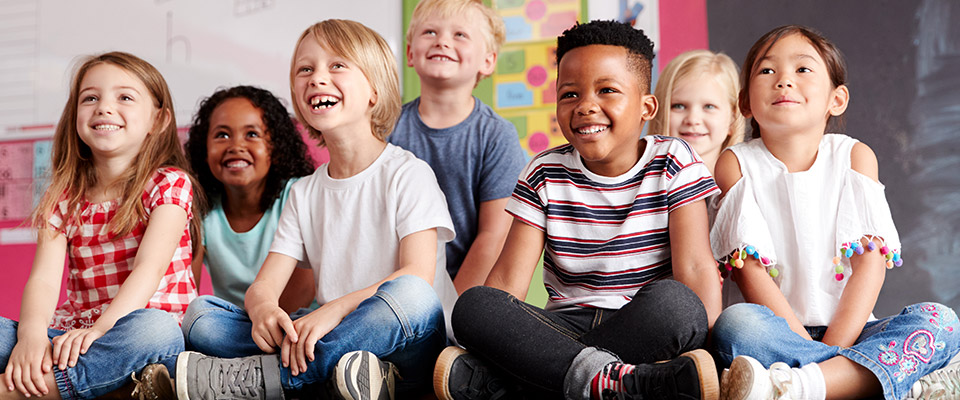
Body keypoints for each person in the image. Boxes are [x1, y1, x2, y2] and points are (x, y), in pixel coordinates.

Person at [435, 20, 722, 400]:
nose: (586, 106)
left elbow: (697, 268)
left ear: (646, 107)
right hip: (559, 324)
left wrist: (714, 354)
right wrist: (489, 330)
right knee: (473, 306)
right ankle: (623, 383)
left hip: (641, 321)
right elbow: (507, 282)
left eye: (607, 90)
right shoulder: (544, 172)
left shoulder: (673, 160)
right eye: (569, 94)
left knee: (678, 305)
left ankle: (525, 382)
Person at [172, 20, 457, 400]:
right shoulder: (305, 192)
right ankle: (342, 374)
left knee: (411, 294)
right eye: (305, 69)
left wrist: (333, 312)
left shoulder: (408, 174)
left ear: (374, 90)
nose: (317, 78)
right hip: (332, 339)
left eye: (337, 65)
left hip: (408, 342)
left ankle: (268, 380)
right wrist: (263, 311)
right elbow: (265, 286)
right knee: (202, 316)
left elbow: (418, 277)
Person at [710, 25, 960, 400]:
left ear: (837, 99)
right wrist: (830, 358)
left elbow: (871, 263)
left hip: (854, 330)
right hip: (775, 337)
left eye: (803, 70)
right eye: (767, 71)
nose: (783, 82)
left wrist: (835, 348)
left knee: (941, 321)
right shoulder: (735, 163)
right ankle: (861, 380)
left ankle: (802, 387)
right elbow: (750, 273)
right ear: (745, 103)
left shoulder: (854, 156)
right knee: (736, 324)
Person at [0, 51, 200, 400]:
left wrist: (102, 329)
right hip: (73, 334)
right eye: (90, 97)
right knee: (8, 335)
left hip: (136, 330)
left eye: (124, 97)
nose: (104, 107)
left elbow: (148, 270)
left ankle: (38, 390)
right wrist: (31, 337)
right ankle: (90, 377)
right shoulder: (63, 195)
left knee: (156, 331)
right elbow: (44, 280)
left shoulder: (169, 184)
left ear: (160, 119)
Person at [391, 0, 527, 294]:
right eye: (429, 32)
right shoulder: (387, 128)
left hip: (464, 290)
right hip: (397, 286)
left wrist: (449, 312)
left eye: (460, 35)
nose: (442, 41)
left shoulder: (496, 135)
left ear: (487, 61)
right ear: (410, 54)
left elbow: (493, 236)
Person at [183, 85, 315, 311]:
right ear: (204, 150)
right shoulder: (200, 208)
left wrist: (266, 325)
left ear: (276, 147)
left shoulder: (299, 194)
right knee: (199, 318)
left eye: (252, 134)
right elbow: (187, 289)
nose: (236, 146)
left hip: (295, 319)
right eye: (222, 135)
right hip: (235, 325)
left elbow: (302, 292)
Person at [648, 49, 744, 175]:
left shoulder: (748, 188)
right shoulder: (642, 187)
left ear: (733, 119)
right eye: (679, 106)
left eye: (709, 107)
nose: (693, 119)